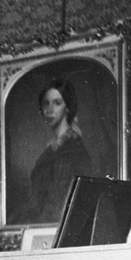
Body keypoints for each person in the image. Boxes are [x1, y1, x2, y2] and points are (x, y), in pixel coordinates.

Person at [22, 78, 94, 224]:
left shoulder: (71, 152)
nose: (49, 110)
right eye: (46, 103)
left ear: (67, 107)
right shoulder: (53, 149)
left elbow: (56, 207)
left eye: (57, 103)